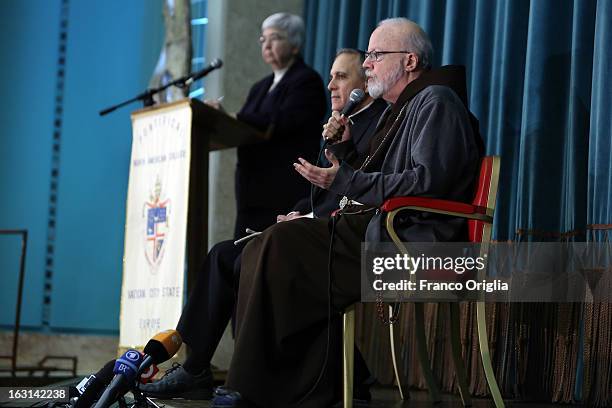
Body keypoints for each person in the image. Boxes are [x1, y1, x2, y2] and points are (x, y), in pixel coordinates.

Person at [215, 18, 483, 408]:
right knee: (262, 246)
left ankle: (260, 389)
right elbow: (381, 178)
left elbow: (427, 182)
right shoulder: (404, 108)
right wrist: (346, 155)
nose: (368, 64)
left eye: (376, 55)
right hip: (383, 232)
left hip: (410, 245)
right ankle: (294, 388)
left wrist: (345, 180)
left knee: (281, 245)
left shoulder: (436, 101)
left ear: (409, 60)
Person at [140, 48, 387, 401]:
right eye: (331, 75)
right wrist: (300, 212)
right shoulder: (344, 126)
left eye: (342, 77)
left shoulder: (379, 125)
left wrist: (307, 215)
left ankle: (259, 382)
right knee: (223, 255)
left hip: (349, 241)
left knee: (252, 260)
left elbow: (361, 192)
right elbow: (323, 193)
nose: (331, 84)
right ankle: (196, 366)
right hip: (317, 231)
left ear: (366, 84)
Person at [225, 12, 327, 239]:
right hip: (251, 189)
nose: (267, 44)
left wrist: (234, 117)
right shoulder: (259, 87)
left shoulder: (306, 80)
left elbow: (281, 120)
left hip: (283, 187)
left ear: (294, 45)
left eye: (275, 38)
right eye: (263, 39)